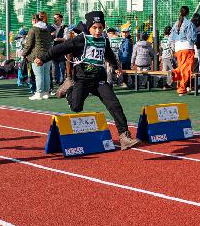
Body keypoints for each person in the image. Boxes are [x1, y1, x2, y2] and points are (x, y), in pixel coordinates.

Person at [34, 10, 139, 149]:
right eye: (94, 28)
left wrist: (115, 67)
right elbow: (60, 49)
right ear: (89, 27)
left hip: (99, 80)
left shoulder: (104, 40)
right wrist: (42, 58)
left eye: (100, 28)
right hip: (82, 80)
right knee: (76, 107)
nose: (97, 31)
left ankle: (124, 136)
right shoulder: (80, 40)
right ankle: (69, 88)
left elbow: (109, 54)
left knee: (114, 104)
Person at [24, 12, 53, 100]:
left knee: (39, 75)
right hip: (48, 54)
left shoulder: (33, 30)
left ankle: (39, 93)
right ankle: (46, 92)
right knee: (46, 74)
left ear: (35, 20)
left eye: (32, 20)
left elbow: (29, 44)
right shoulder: (47, 29)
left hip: (37, 55)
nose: (31, 22)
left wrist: (23, 53)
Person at [169, 6, 197, 95]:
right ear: (188, 13)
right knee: (187, 69)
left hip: (178, 48)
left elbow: (171, 37)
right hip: (187, 47)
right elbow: (192, 38)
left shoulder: (176, 23)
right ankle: (182, 89)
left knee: (181, 68)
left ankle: (174, 72)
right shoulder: (189, 24)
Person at [51, 13, 68, 89]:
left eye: (56, 18)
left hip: (61, 48)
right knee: (54, 65)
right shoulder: (51, 27)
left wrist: (58, 39)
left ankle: (62, 80)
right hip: (53, 48)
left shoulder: (65, 27)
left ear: (61, 18)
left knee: (62, 65)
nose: (55, 19)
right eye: (54, 18)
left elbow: (66, 38)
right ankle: (56, 79)